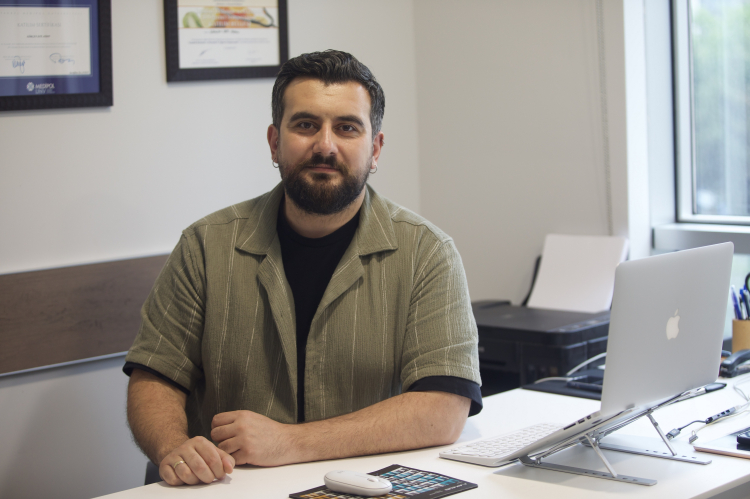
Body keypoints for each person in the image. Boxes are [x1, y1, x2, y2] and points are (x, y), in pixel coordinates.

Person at [124, 50, 482, 486]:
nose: (325, 146)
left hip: (361, 487)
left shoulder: (427, 253)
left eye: (347, 128)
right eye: (306, 125)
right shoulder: (205, 245)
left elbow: (443, 409)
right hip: (228, 487)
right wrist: (172, 446)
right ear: (275, 142)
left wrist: (290, 442)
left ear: (375, 149)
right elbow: (154, 375)